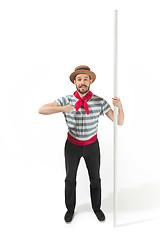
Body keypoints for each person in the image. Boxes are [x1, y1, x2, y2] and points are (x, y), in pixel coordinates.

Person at [38, 65, 124, 223]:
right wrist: (64, 108)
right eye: (79, 79)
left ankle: (96, 208)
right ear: (75, 82)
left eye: (85, 79)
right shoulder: (67, 99)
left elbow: (119, 121)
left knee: (95, 178)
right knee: (70, 178)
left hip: (92, 146)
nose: (82, 82)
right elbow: (42, 110)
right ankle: (70, 209)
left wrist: (120, 107)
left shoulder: (99, 101)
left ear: (90, 81)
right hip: (72, 146)